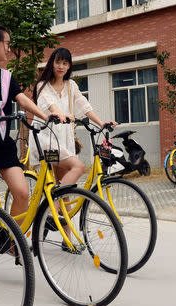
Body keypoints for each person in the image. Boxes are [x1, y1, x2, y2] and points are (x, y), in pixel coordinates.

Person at [0, 25, 64, 289]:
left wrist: (45, 115)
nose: (9, 48)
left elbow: (22, 100)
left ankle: (6, 239)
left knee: (21, 193)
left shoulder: (7, 76)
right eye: (7, 43)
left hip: (3, 145)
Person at [29, 47, 116, 250]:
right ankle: (51, 210)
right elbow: (51, 106)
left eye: (65, 63)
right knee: (77, 167)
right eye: (58, 62)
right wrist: (60, 114)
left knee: (64, 190)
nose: (61, 66)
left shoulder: (71, 85)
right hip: (47, 139)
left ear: (69, 66)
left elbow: (83, 105)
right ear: (52, 63)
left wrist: (101, 123)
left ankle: (67, 239)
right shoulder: (43, 85)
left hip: (64, 140)